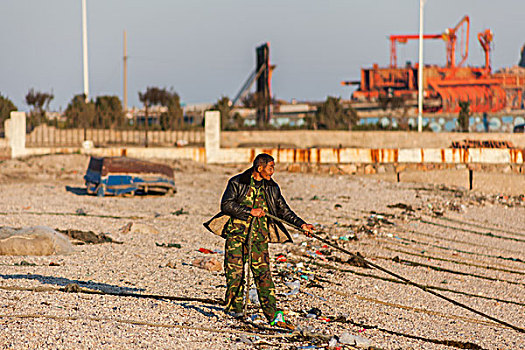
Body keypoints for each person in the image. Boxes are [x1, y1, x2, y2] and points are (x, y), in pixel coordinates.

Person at [204, 153, 314, 327]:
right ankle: (235, 310)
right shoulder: (237, 182)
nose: (273, 171)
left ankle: (272, 314)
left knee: (264, 277)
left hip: (259, 239)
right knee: (235, 275)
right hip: (237, 237)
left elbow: (283, 210)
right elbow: (226, 205)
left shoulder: (272, 187)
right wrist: (249, 211)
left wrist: (302, 225)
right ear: (259, 167)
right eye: (271, 167)